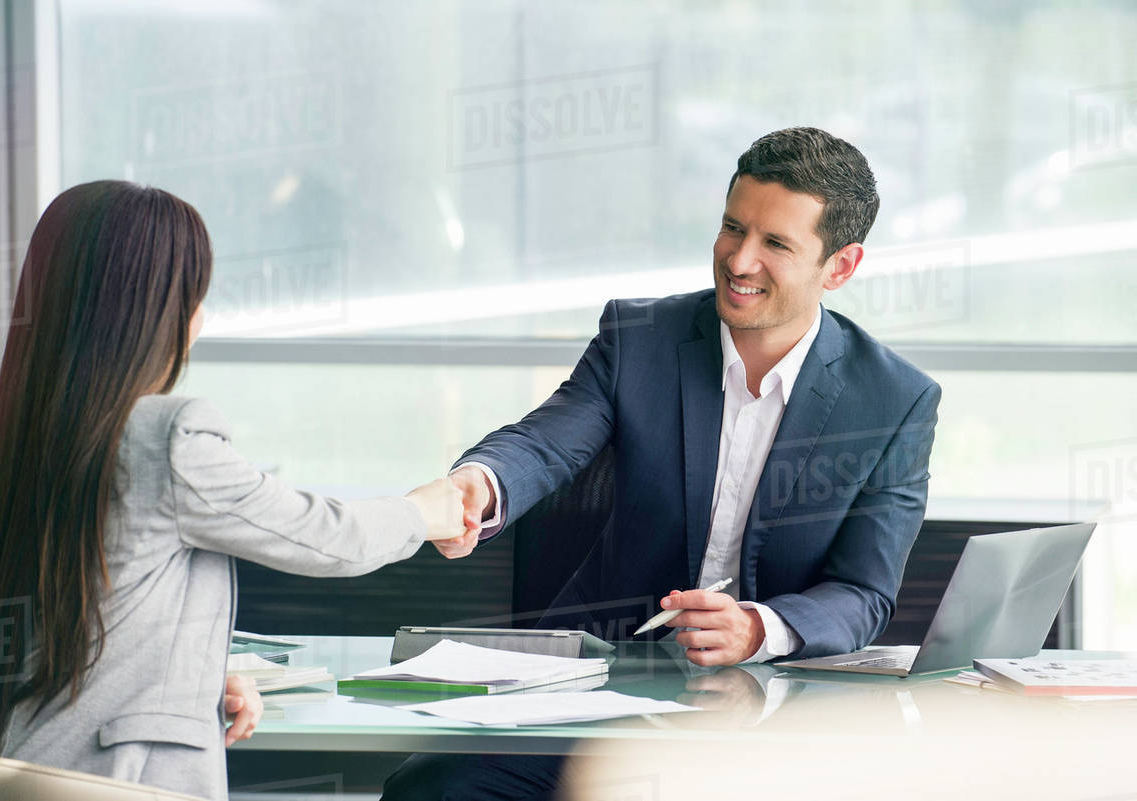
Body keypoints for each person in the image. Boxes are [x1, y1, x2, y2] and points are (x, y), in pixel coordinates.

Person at [383, 127, 941, 800]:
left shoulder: (894, 399)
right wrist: (478, 484)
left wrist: (757, 627)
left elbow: (863, 592)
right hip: (601, 691)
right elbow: (545, 442)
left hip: (769, 713)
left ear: (841, 267)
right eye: (732, 228)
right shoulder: (639, 339)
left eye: (776, 243)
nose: (740, 260)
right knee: (434, 786)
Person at [0, 181, 475, 801]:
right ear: (160, 311)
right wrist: (421, 512)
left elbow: (81, 616)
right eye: (194, 293)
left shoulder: (19, 437)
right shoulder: (164, 437)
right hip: (118, 784)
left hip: (17, 771)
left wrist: (193, 682)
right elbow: (327, 538)